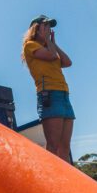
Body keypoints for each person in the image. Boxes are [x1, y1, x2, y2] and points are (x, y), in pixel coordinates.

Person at [21, 14, 74, 162]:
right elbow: (51, 56)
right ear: (36, 29)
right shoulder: (30, 45)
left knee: (65, 147)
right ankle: (49, 181)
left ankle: (65, 182)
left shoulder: (51, 49)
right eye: (45, 26)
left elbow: (68, 62)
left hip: (63, 95)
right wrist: (50, 42)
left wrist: (53, 43)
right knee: (53, 146)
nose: (49, 29)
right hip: (50, 95)